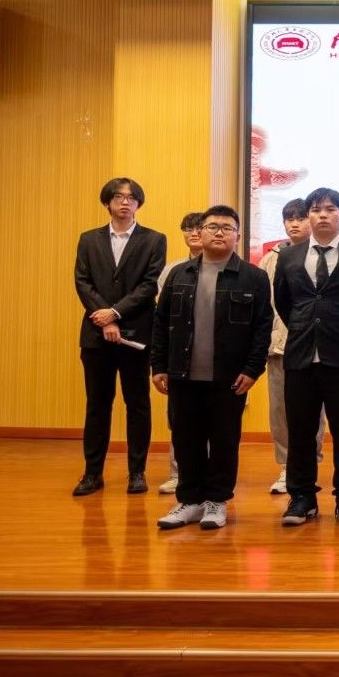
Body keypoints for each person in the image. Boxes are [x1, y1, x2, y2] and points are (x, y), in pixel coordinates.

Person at [150, 206, 271, 530]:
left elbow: (262, 328)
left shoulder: (254, 277)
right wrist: (158, 365)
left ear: (238, 236)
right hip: (182, 374)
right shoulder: (179, 274)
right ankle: (189, 501)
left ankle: (216, 501)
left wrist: (252, 369)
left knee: (224, 440)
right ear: (199, 233)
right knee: (185, 439)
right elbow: (160, 323)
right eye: (212, 226)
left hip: (229, 377)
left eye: (227, 228)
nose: (219, 232)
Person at [273, 187, 339, 527]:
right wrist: (306, 328)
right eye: (316, 209)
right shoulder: (289, 256)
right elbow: (285, 303)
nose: (322, 215)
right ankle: (302, 497)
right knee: (300, 431)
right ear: (308, 216)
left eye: (330, 209)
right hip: (300, 355)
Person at [72, 177, 167, 497]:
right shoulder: (89, 239)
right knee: (97, 405)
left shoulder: (154, 239)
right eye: (118, 197)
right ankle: (92, 473)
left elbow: (149, 284)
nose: (125, 202)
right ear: (107, 202)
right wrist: (103, 317)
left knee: (137, 404)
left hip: (135, 333)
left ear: (139, 203)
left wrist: (114, 313)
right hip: (96, 334)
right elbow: (83, 282)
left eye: (131, 197)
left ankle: (137, 472)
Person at [259, 199, 323, 495]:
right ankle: (287, 466)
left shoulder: (322, 254)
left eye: (300, 218)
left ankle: (310, 463)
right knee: (280, 411)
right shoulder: (270, 259)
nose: (294, 224)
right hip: (279, 347)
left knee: (313, 412)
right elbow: (265, 306)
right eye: (289, 218)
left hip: (315, 346)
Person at [156, 211, 205, 495]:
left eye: (199, 227)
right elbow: (162, 318)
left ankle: (211, 477)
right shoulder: (172, 271)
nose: (194, 233)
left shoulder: (230, 268)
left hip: (213, 354)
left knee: (214, 419)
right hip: (179, 354)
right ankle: (179, 474)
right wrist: (159, 362)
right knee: (179, 417)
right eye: (188, 229)